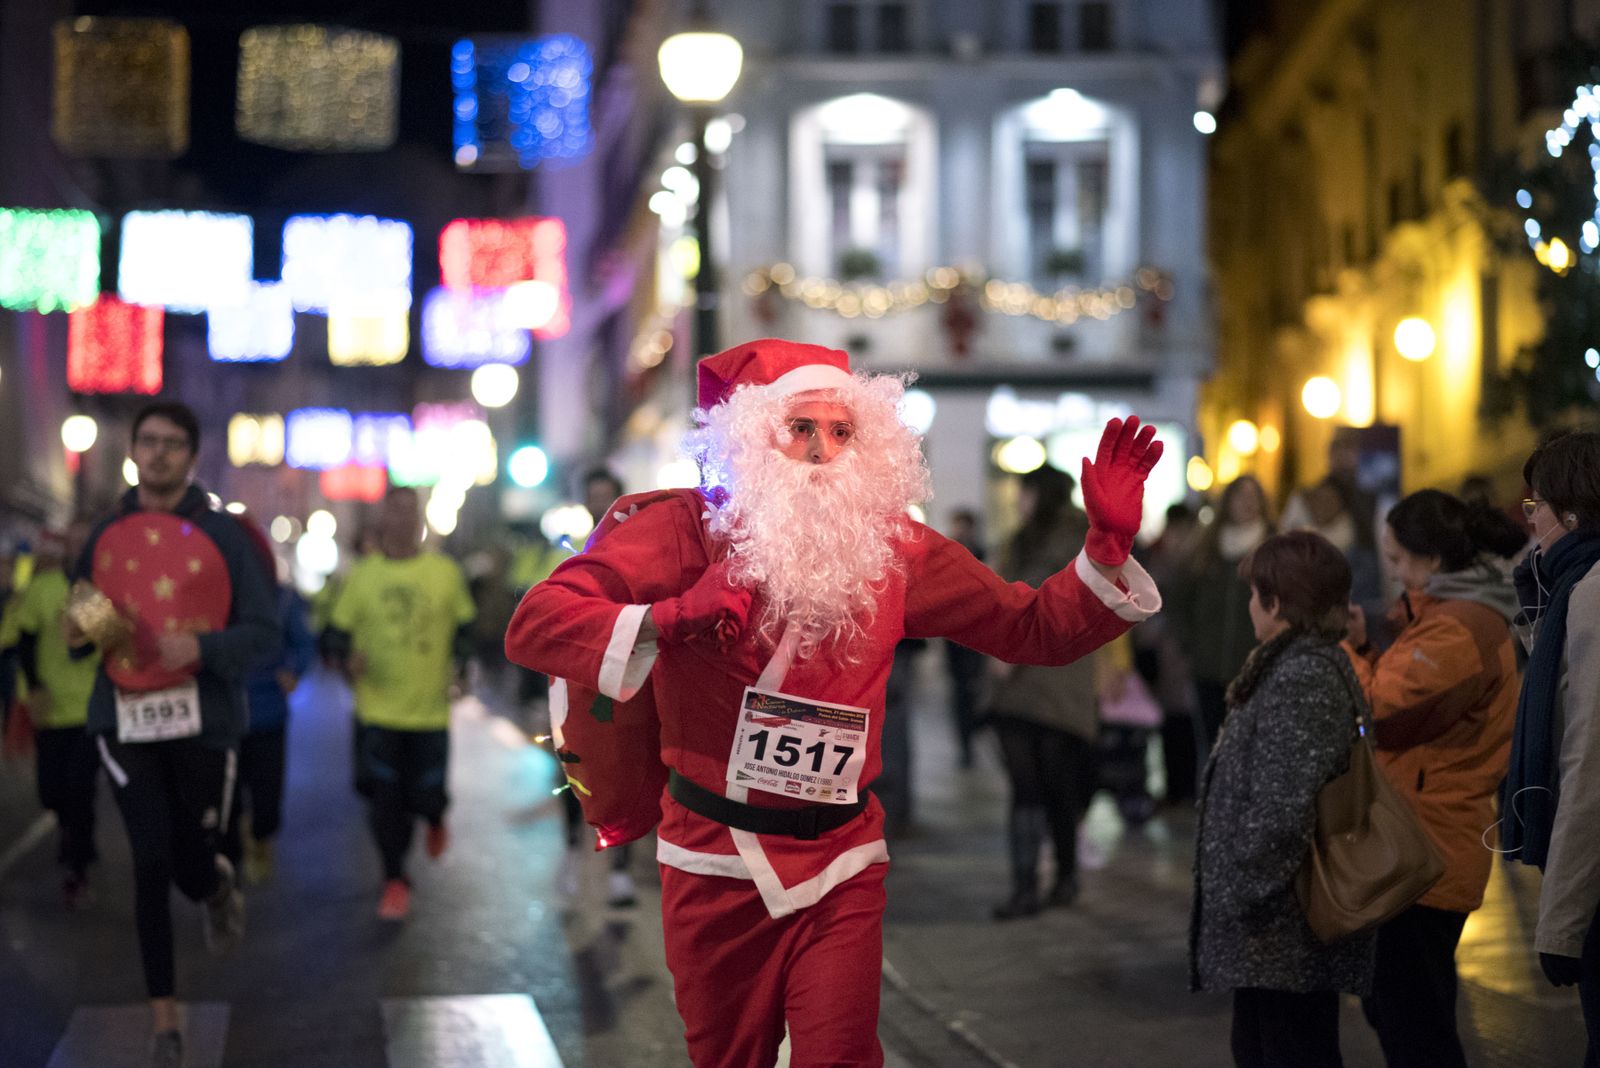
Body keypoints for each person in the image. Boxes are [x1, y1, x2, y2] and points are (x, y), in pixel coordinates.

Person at [505, 338, 1162, 1067]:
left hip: (842, 860)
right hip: (715, 861)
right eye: (801, 429)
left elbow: (1028, 626)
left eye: (842, 431)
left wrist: (1102, 551)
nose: (823, 450)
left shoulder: (894, 550)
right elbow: (538, 623)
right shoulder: (681, 532)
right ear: (752, 438)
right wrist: (676, 617)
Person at [74, 401, 278, 1068]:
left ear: (192, 455)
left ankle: (217, 886)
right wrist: (97, 628)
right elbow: (83, 630)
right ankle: (165, 1019)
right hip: (122, 721)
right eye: (148, 441)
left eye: (172, 443)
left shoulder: (225, 535)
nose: (158, 453)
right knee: (150, 857)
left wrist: (200, 645)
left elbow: (263, 635)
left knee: (190, 860)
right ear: (134, 450)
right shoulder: (104, 533)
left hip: (205, 721)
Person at [1342, 489, 1525, 1067]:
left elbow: (1380, 705)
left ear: (1433, 560)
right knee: (1399, 1006)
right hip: (1418, 840)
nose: (1393, 572)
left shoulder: (1461, 625)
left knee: (1413, 1021)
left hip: (1429, 848)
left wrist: (1345, 649)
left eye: (1397, 559)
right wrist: (1368, 643)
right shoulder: (1446, 617)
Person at [1190, 531, 1375, 1068]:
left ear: (1277, 603)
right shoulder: (1293, 666)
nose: (1249, 605)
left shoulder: (1303, 676)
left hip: (1282, 929)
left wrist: (1236, 892)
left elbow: (1280, 809)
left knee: (1288, 1050)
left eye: (1255, 595)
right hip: (1271, 934)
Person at [325, 486, 475, 921]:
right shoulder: (363, 575)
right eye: (396, 512)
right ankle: (394, 878)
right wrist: (344, 657)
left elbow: (465, 630)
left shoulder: (445, 573)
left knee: (426, 796)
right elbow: (334, 634)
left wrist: (463, 671)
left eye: (412, 513)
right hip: (378, 711)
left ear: (421, 519)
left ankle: (435, 817)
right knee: (385, 802)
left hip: (430, 712)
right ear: (383, 519)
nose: (404, 521)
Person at [1500, 430, 1600, 1064]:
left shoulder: (1590, 594)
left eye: (1535, 502)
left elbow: (1587, 757)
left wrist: (1561, 923)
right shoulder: (1569, 590)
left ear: (1571, 511)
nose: (1527, 514)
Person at [985, 464, 1100, 920]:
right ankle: (1027, 884)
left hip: (1055, 676)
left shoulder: (1077, 539)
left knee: (1055, 784)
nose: (1018, 501)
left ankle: (1062, 877)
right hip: (1015, 681)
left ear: (1040, 493)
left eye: (1024, 492)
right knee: (1026, 785)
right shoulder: (1020, 538)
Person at [0, 524, 102, 906]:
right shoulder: (43, 590)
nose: (77, 550)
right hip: (51, 709)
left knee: (81, 788)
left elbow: (113, 650)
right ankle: (71, 832)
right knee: (51, 791)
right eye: (72, 543)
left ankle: (79, 865)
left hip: (89, 711)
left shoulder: (95, 594)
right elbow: (24, 641)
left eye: (84, 543)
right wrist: (36, 687)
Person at [223, 517, 316, 884]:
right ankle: (230, 863)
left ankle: (261, 835)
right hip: (225, 716)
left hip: (268, 714)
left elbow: (304, 644)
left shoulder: (283, 599)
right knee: (225, 800)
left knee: (266, 798)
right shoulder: (215, 598)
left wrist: (293, 669)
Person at [1170, 476, 1273, 751]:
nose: (1247, 503)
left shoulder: (1274, 549)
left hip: (1257, 668)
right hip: (1209, 668)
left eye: (1253, 496)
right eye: (1241, 496)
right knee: (1214, 746)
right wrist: (1190, 645)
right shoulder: (1207, 549)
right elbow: (1179, 601)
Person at [942, 509, 988, 769]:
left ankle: (971, 736)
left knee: (971, 692)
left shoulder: (980, 555)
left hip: (976, 634)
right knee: (961, 694)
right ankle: (966, 744)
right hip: (955, 640)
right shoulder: (948, 554)